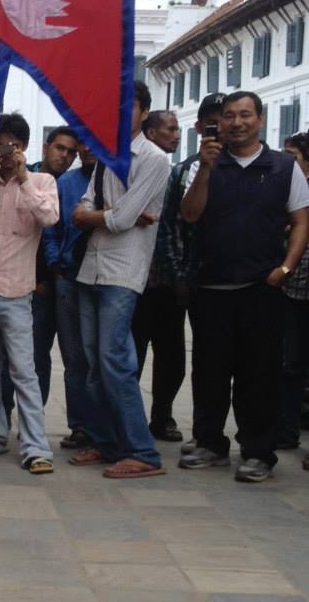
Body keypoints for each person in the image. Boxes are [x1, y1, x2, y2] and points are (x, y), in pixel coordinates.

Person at [179, 91, 309, 482]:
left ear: (261, 119)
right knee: (209, 372)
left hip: (261, 289)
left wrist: (285, 268)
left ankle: (258, 452)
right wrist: (205, 168)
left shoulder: (285, 167)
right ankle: (209, 443)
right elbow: (189, 215)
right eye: (230, 116)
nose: (237, 123)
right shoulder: (203, 165)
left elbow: (302, 220)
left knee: (260, 374)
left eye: (245, 115)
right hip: (211, 287)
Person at [69, 80, 170, 478]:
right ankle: (107, 441)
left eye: (128, 107)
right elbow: (79, 211)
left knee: (114, 360)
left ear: (144, 113)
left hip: (123, 270)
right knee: (93, 362)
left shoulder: (154, 158)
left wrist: (106, 215)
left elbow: (122, 219)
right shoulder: (106, 157)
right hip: (91, 267)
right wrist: (106, 215)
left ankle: (142, 451)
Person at [0, 113, 58, 474]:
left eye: (10, 145)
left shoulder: (41, 180)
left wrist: (21, 177)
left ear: (22, 146)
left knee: (24, 370)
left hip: (17, 292)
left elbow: (50, 218)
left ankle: (36, 447)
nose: (3, 152)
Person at [155, 93, 225, 457]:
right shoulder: (184, 171)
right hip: (183, 278)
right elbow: (172, 226)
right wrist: (179, 274)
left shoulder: (248, 168)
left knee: (219, 359)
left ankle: (223, 433)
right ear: (199, 127)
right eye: (213, 122)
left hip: (230, 280)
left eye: (224, 119)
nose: (221, 127)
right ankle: (172, 420)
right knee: (181, 356)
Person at [2, 126, 79, 418]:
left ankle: (40, 418)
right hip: (29, 284)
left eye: (71, 151)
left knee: (63, 357)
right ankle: (5, 413)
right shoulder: (26, 175)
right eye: (60, 148)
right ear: (46, 147)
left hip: (65, 281)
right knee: (25, 354)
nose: (66, 156)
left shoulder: (77, 183)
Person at [130, 109, 185, 442]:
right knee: (132, 355)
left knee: (172, 356)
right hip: (137, 279)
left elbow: (177, 229)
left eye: (178, 129)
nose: (176, 135)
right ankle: (132, 418)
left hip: (168, 281)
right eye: (170, 129)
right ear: (150, 133)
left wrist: (180, 274)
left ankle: (162, 415)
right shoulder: (137, 169)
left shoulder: (177, 174)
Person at [42, 143, 98, 449]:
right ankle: (79, 426)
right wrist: (55, 263)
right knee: (75, 357)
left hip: (107, 279)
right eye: (82, 141)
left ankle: (104, 424)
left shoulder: (118, 177)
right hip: (69, 277)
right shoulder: (66, 183)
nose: (87, 147)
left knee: (101, 355)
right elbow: (52, 228)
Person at [280, 132, 309, 452]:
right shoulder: (285, 189)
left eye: (295, 157)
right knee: (289, 365)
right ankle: (286, 430)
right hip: (293, 289)